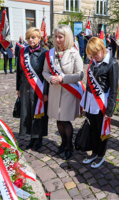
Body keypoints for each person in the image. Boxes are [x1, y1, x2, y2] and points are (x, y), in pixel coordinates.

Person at [43, 24, 84, 160]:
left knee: (65, 120)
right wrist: (50, 78)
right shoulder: (49, 53)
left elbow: (80, 74)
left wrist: (62, 78)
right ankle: (63, 143)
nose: (57, 39)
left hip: (68, 92)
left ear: (67, 38)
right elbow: (45, 71)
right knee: (59, 120)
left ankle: (69, 146)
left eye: (60, 37)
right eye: (55, 37)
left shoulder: (74, 53)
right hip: (55, 91)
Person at [81, 37, 119, 168]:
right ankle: (94, 152)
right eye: (91, 54)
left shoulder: (112, 64)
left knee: (101, 130)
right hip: (91, 102)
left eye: (95, 53)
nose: (94, 56)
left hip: (102, 103)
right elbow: (88, 83)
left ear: (102, 49)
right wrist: (85, 103)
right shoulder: (93, 62)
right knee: (93, 129)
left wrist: (110, 110)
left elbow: (114, 89)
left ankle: (101, 155)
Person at [16, 27, 49, 150]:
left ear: (39, 38)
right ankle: (31, 137)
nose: (30, 40)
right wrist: (18, 88)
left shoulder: (45, 53)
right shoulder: (22, 52)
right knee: (27, 113)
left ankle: (39, 138)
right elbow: (18, 72)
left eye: (33, 37)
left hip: (39, 88)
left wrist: (46, 93)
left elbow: (47, 74)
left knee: (38, 113)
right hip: (25, 87)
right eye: (28, 37)